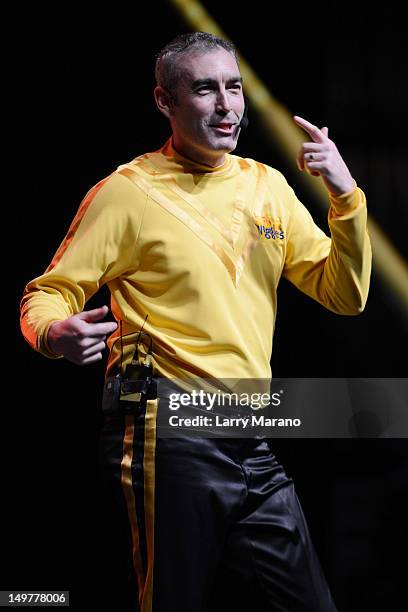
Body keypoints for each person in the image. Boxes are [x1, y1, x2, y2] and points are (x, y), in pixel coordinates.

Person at [20, 32, 371, 612]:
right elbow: (48, 294)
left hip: (253, 432)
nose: (226, 105)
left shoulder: (268, 185)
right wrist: (54, 333)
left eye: (232, 87)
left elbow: (345, 294)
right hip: (169, 429)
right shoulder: (126, 193)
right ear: (166, 101)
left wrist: (346, 196)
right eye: (204, 89)